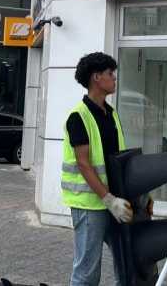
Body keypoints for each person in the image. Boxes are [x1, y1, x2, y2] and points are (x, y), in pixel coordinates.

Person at [62, 52, 131, 286]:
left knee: (127, 264)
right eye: (110, 73)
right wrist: (109, 200)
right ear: (96, 77)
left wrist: (139, 195)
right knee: (87, 272)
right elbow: (83, 163)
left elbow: (121, 157)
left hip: (116, 201)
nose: (114, 78)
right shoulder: (78, 117)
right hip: (91, 205)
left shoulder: (111, 114)